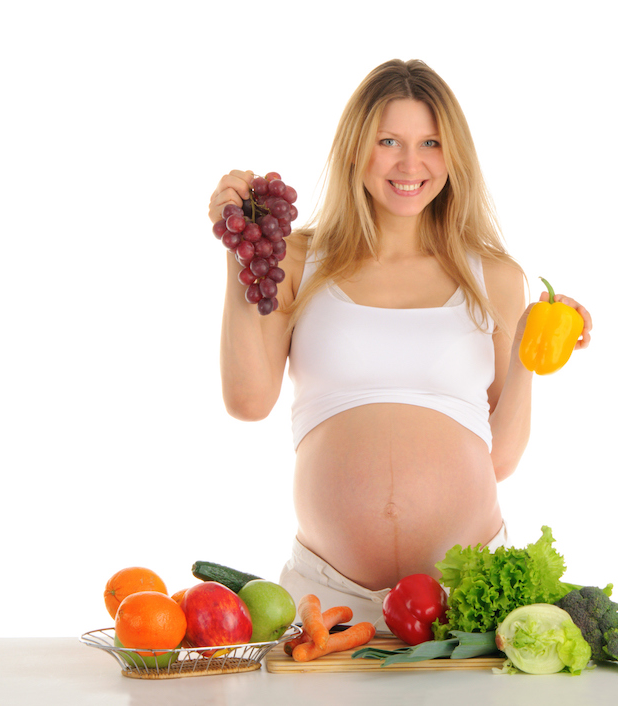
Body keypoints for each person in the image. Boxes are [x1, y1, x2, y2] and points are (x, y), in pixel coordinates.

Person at [208, 59, 592, 628]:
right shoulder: (297, 261)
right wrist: (243, 251)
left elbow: (500, 460)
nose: (410, 163)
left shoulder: (495, 278)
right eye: (388, 140)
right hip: (325, 603)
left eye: (430, 142)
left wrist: (531, 351)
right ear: (355, 149)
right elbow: (247, 402)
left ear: (453, 154)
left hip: (465, 603)